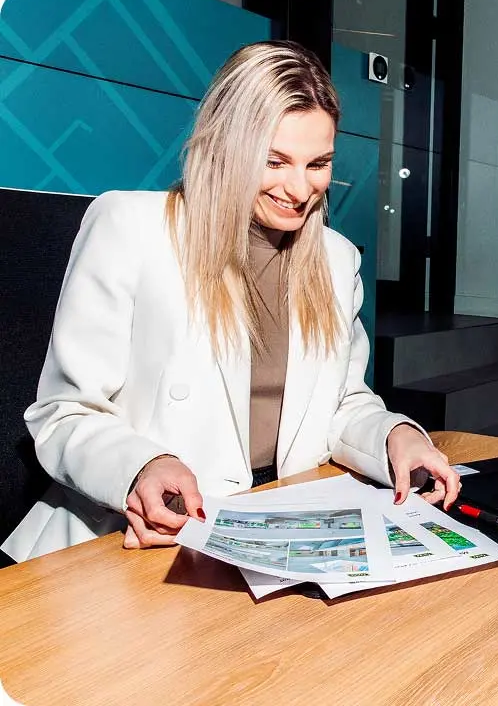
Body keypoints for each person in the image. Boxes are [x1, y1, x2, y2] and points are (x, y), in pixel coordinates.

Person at [1, 41, 459, 563]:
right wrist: (141, 467)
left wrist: (397, 437)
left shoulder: (334, 260)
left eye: (318, 164)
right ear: (226, 147)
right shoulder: (130, 226)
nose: (299, 188)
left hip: (277, 520)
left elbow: (343, 403)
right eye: (275, 161)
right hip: (136, 535)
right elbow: (62, 413)